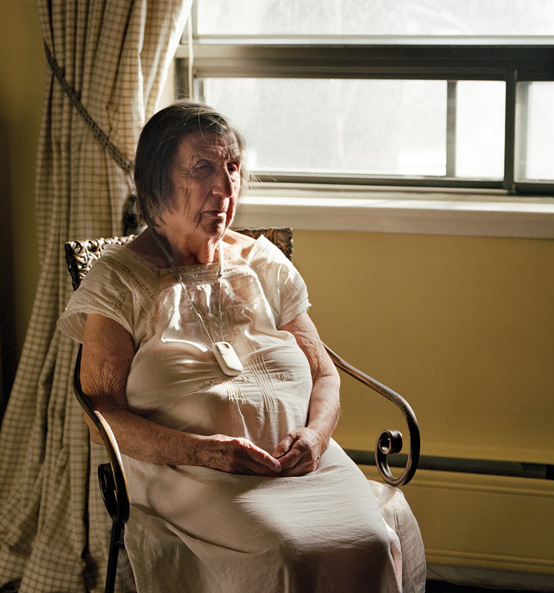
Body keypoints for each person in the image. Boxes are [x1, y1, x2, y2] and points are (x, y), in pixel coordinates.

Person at [58, 100, 425, 593]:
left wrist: (316, 439)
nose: (226, 186)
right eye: (202, 168)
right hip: (188, 474)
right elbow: (100, 414)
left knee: (370, 540)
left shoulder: (262, 262)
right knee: (288, 552)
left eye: (232, 167)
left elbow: (324, 372)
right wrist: (204, 452)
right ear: (156, 181)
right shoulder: (118, 280)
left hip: (304, 465)